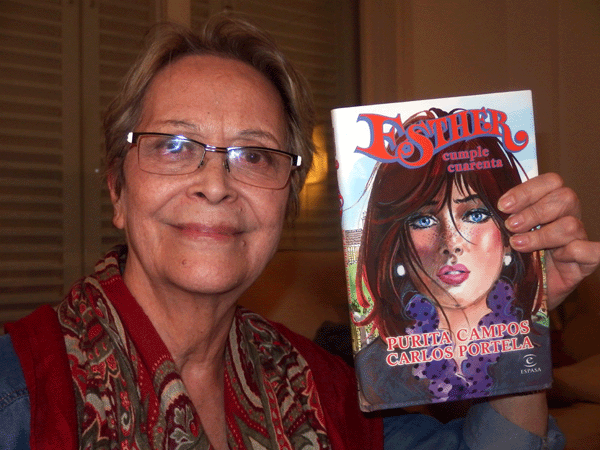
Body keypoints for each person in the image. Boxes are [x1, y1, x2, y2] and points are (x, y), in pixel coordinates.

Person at [0, 13, 598, 450]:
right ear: (117, 190)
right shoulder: (18, 391)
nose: (215, 184)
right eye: (175, 146)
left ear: (286, 203)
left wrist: (520, 321)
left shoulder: (324, 387)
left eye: (255, 155)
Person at [354, 109, 549, 406]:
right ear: (397, 247)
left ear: (509, 235)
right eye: (423, 220)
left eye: (475, 214)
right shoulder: (373, 372)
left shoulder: (538, 348)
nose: (451, 243)